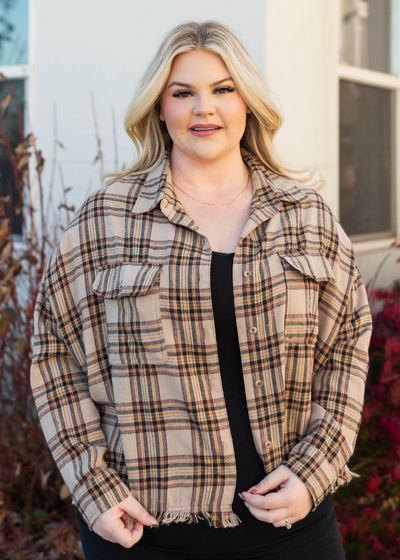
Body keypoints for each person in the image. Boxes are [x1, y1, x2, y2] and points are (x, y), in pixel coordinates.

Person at [30, 20, 373, 560]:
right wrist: (93, 488)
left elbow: (347, 345)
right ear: (159, 108)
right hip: (143, 532)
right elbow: (54, 358)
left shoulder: (306, 215)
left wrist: (315, 470)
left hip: (292, 529)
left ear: (248, 102)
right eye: (182, 92)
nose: (202, 108)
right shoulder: (105, 220)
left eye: (223, 89)